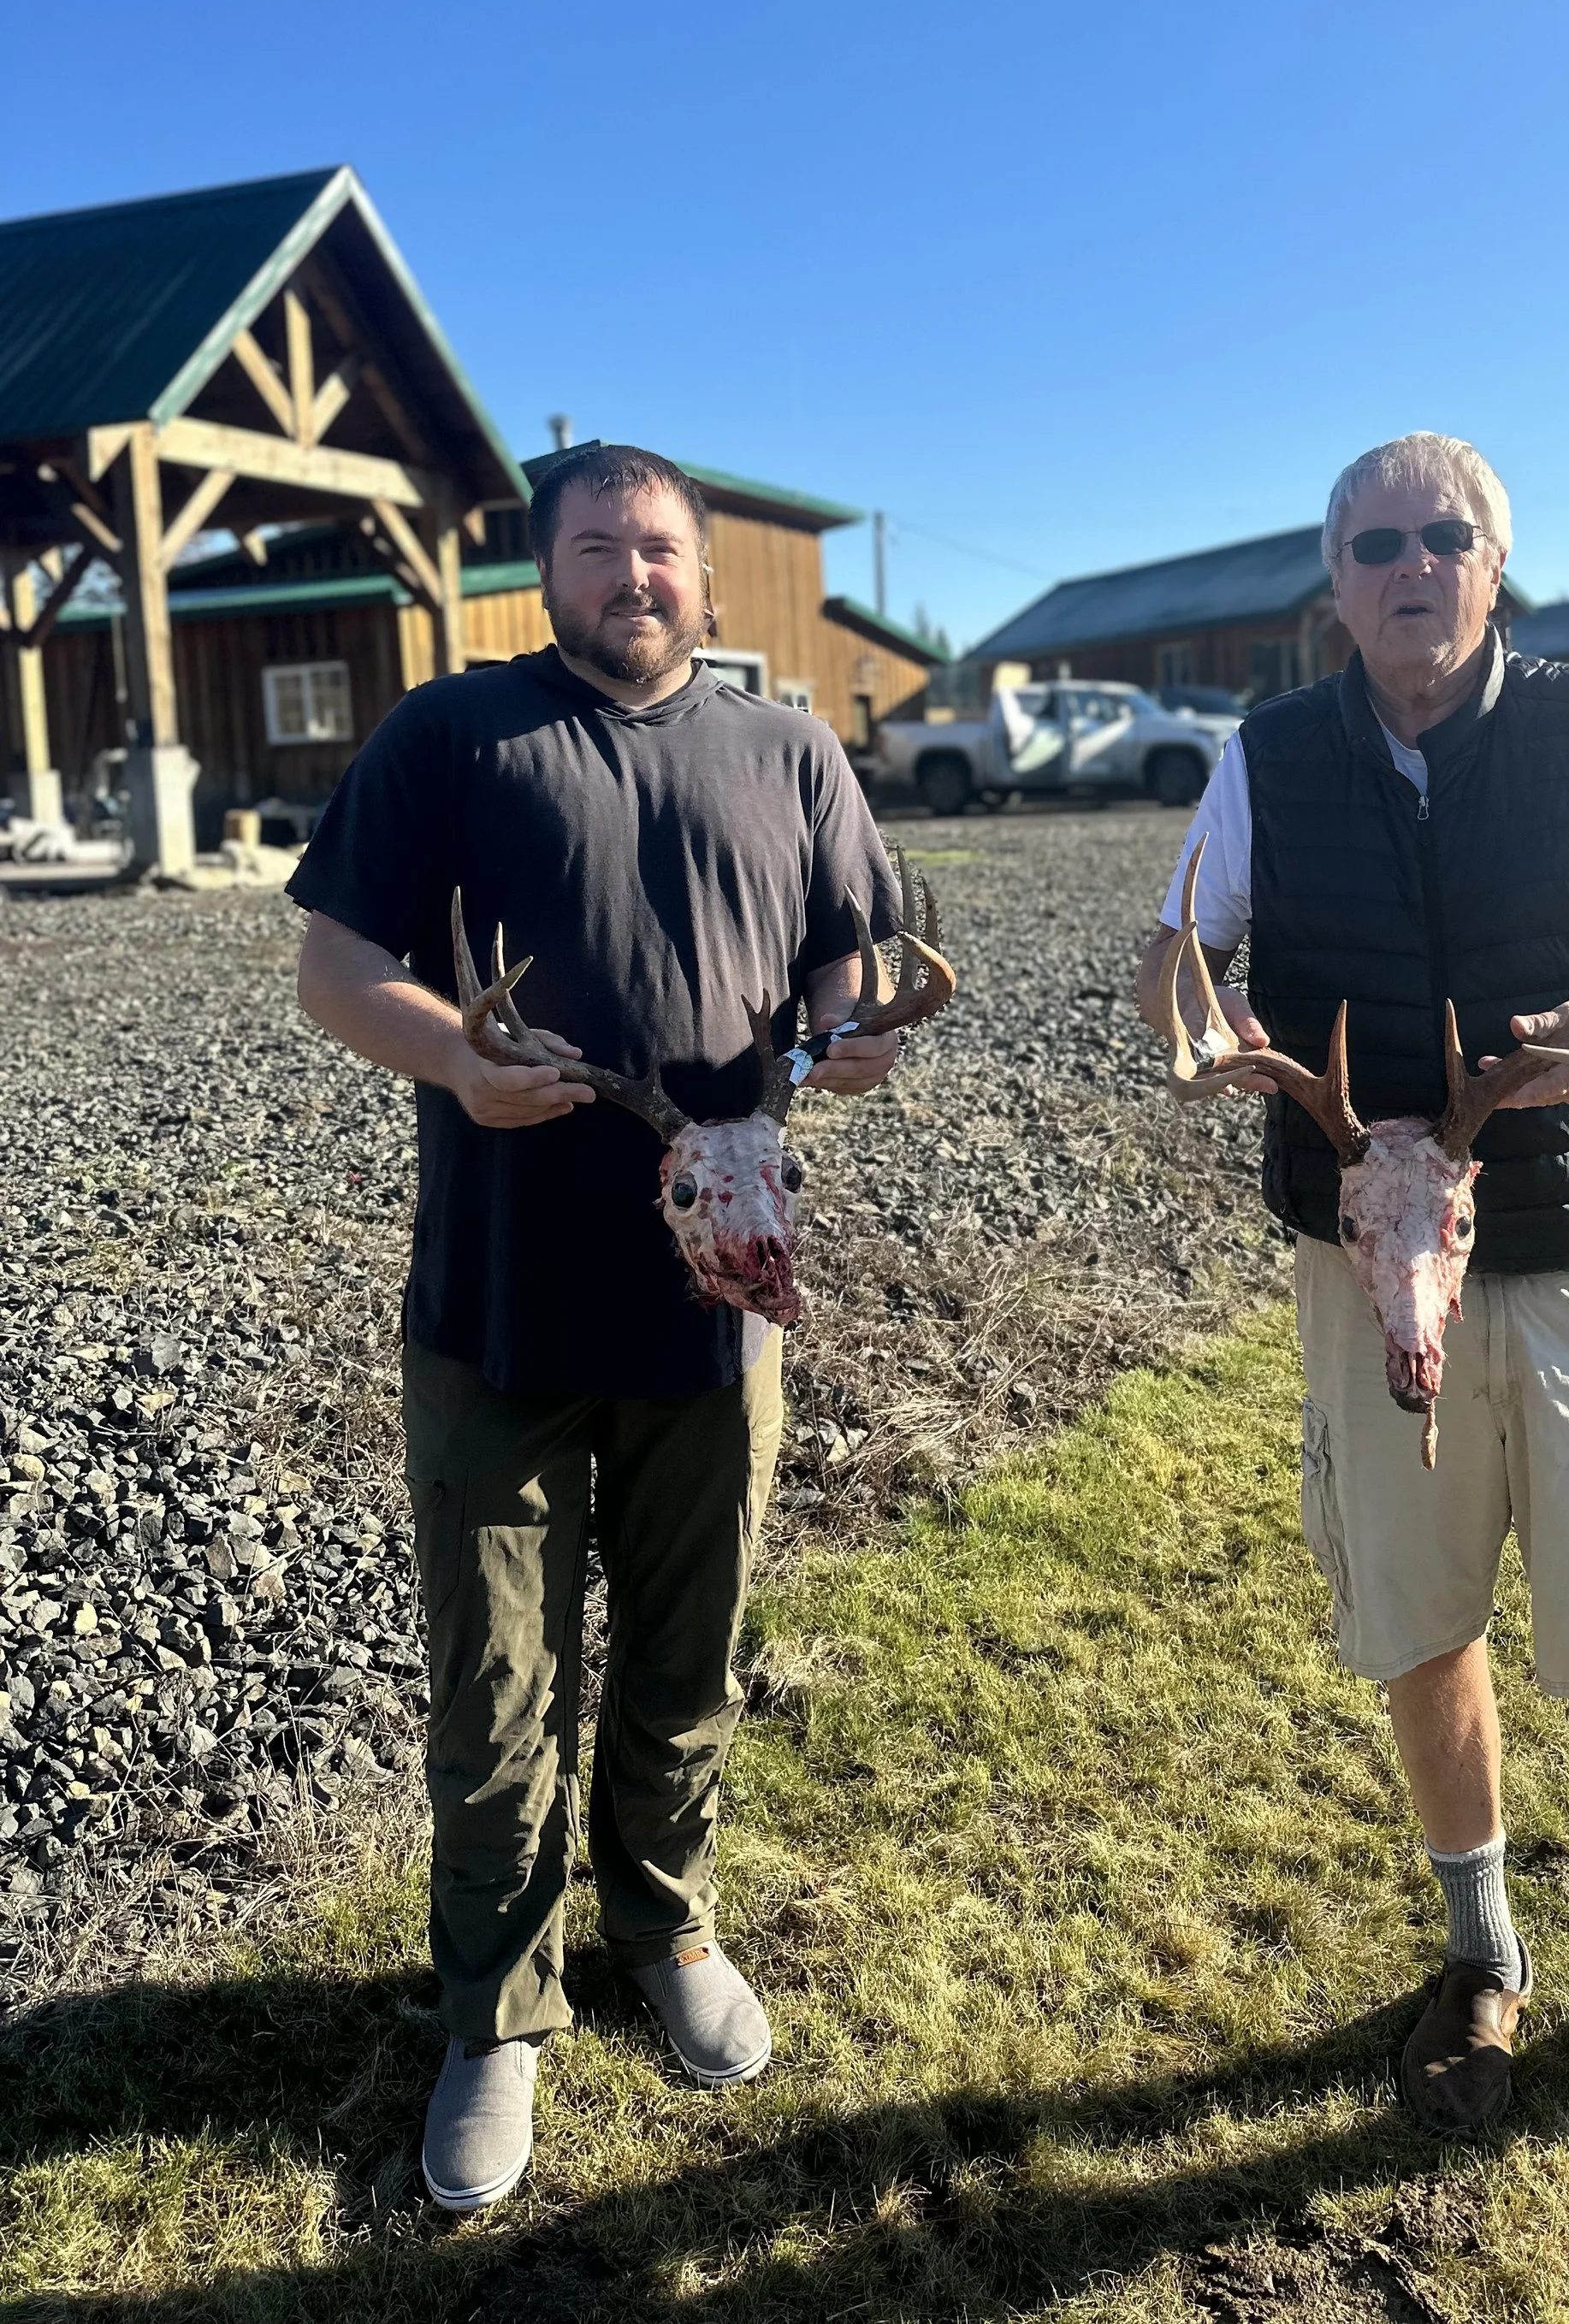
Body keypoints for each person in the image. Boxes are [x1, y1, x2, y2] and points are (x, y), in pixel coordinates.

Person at [1134, 432, 1569, 2186]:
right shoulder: (1265, 755)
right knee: (1420, 1624)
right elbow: (1177, 954)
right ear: (1333, 586)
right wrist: (1192, 1024)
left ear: (1492, 566)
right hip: (1367, 1263)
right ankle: (1481, 1958)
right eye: (1371, 545)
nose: (1407, 566)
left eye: (1441, 537)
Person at [290, 443, 904, 2215]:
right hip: (495, 1308)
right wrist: (452, 1062)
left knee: (688, 1655)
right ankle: (496, 2011)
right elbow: (336, 963)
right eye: (594, 548)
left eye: (657, 550)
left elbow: (841, 961)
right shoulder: (451, 738)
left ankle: (666, 1924)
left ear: (705, 581)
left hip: (723, 1308)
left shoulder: (788, 751)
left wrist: (844, 1032)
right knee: (496, 1690)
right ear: (541, 570)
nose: (630, 575)